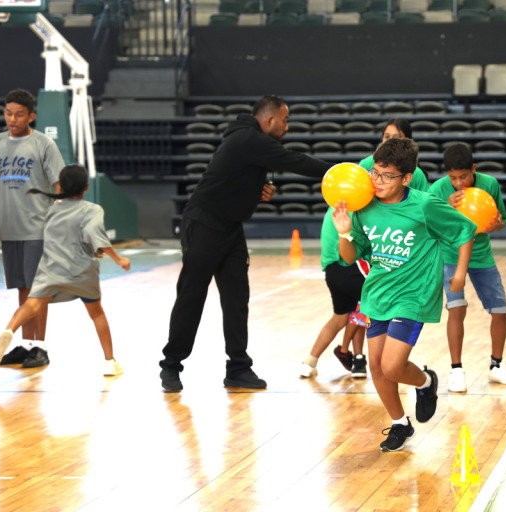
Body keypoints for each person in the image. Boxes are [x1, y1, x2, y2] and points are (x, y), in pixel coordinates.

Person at [159, 95, 334, 392]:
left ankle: (238, 368)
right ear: (269, 120)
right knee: (191, 296)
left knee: (237, 299)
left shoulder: (250, 142)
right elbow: (297, 161)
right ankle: (171, 366)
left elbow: (234, 179)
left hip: (229, 228)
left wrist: (256, 191)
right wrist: (343, 170)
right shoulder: (249, 140)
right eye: (285, 120)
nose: (286, 127)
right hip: (203, 224)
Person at [332, 138, 476, 452]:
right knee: (376, 368)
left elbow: (465, 229)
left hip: (414, 295)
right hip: (379, 294)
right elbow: (349, 256)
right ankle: (400, 423)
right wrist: (343, 231)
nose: (377, 181)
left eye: (386, 176)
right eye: (374, 174)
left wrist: (460, 273)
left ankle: (425, 382)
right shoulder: (364, 207)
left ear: (406, 178)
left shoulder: (424, 205)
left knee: (393, 366)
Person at [0, 165, 130, 376]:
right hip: (82, 272)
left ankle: (8, 331)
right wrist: (117, 258)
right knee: (97, 314)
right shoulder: (93, 210)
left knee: (31, 305)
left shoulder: (51, 210)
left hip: (51, 271)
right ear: (86, 188)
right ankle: (110, 361)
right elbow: (95, 235)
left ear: (61, 186)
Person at [0, 89, 66, 368]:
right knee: (23, 289)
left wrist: (59, 219)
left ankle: (40, 347)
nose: (12, 119)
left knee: (38, 290)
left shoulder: (43, 144)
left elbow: (59, 185)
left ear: (31, 116)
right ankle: (26, 345)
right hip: (9, 229)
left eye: (19, 114)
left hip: (38, 229)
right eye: (8, 113)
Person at [428, 143, 506, 390]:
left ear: (474, 169)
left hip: (481, 255)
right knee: (456, 309)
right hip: (449, 256)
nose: (459, 183)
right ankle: (456, 370)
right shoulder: (437, 190)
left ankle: (496, 366)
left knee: (500, 309)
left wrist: (495, 225)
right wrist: (445, 206)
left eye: (464, 176)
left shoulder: (489, 185)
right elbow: (429, 227)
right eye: (453, 177)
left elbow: (500, 222)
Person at [300, 208, 368, 378]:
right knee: (363, 310)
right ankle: (353, 357)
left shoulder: (331, 211)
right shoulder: (355, 210)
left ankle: (309, 362)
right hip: (352, 266)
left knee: (340, 317)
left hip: (332, 271)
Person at [358, 118, 430, 192]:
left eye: (396, 138)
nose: (389, 141)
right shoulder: (365, 164)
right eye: (387, 137)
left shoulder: (417, 174)